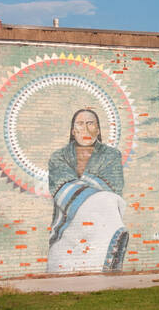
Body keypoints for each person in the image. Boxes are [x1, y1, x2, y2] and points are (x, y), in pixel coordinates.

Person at [47, 109, 128, 273]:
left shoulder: (111, 156)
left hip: (101, 222)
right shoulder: (59, 156)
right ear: (72, 130)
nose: (85, 128)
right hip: (68, 222)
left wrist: (78, 187)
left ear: (98, 130)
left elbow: (114, 188)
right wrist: (93, 188)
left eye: (91, 123)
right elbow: (61, 189)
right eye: (80, 123)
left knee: (108, 199)